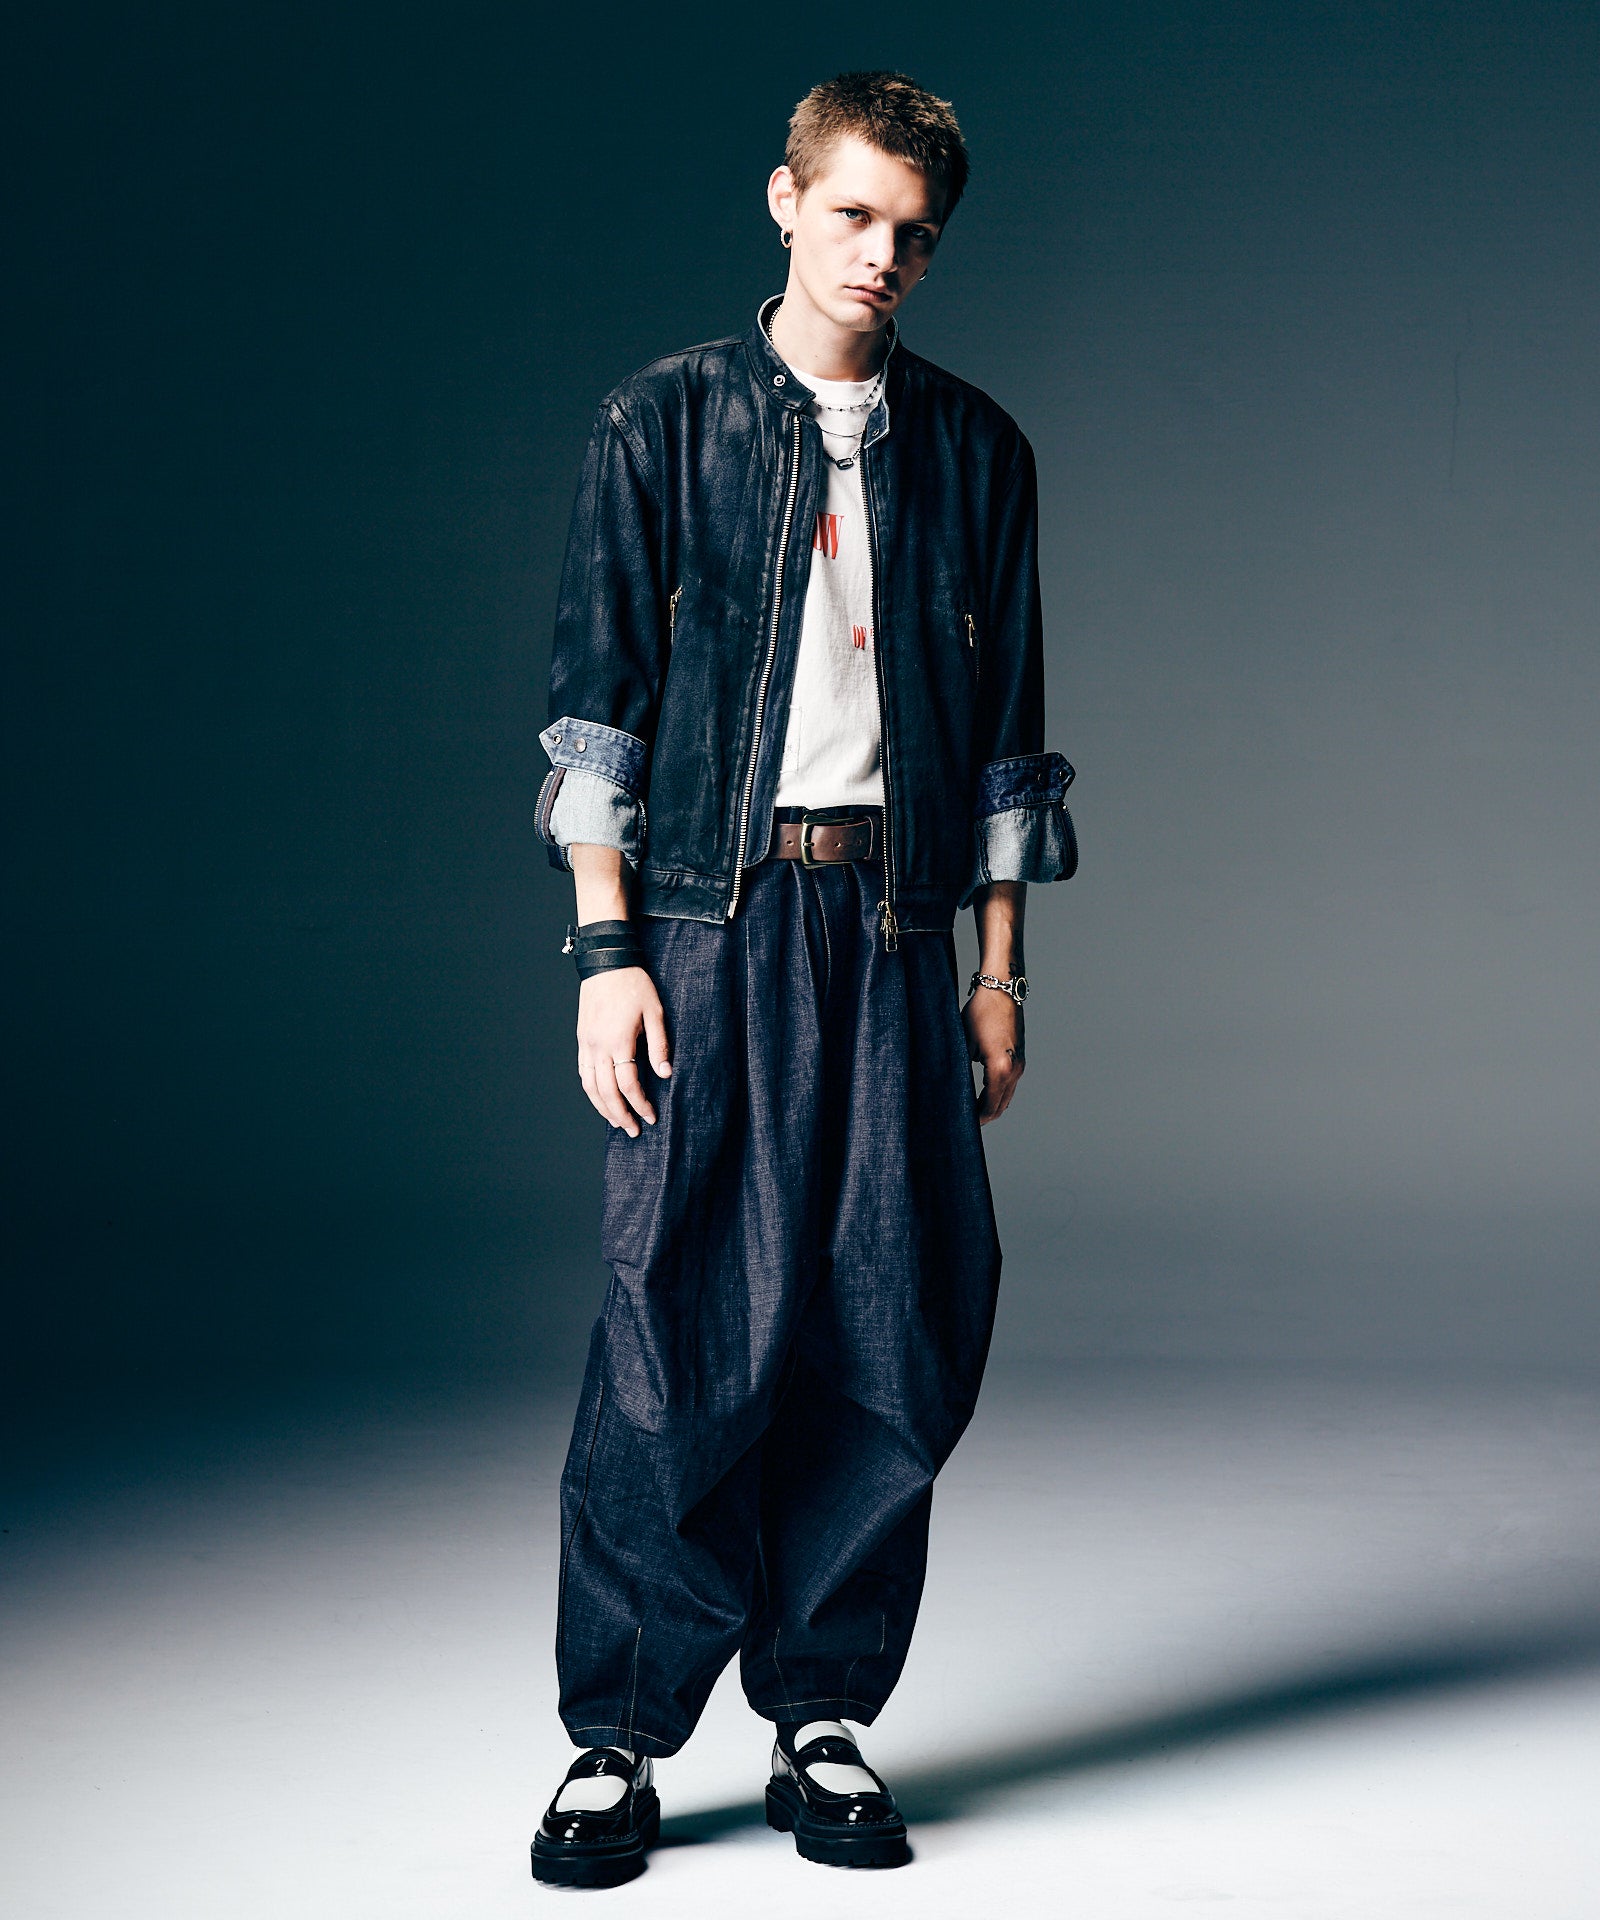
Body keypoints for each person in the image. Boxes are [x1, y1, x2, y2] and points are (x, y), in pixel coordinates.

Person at [528, 70, 1076, 1888]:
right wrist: (608, 950)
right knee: (680, 1320)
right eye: (852, 215)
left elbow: (1009, 737)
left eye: (914, 232)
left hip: (902, 933)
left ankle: (824, 1709)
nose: (881, 257)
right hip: (714, 917)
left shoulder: (978, 451)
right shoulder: (662, 421)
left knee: (890, 1317)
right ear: (785, 200)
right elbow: (599, 707)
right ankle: (617, 1734)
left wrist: (1001, 973)